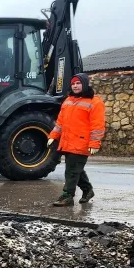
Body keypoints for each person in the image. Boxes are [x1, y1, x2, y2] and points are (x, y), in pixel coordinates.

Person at [48, 73, 105, 206]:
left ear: (84, 84)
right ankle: (87, 190)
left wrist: (94, 144)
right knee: (75, 169)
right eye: (73, 83)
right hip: (67, 142)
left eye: (78, 83)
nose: (75, 86)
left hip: (82, 143)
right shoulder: (68, 101)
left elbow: (98, 126)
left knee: (71, 170)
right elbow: (60, 123)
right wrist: (53, 136)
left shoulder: (95, 102)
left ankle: (67, 196)